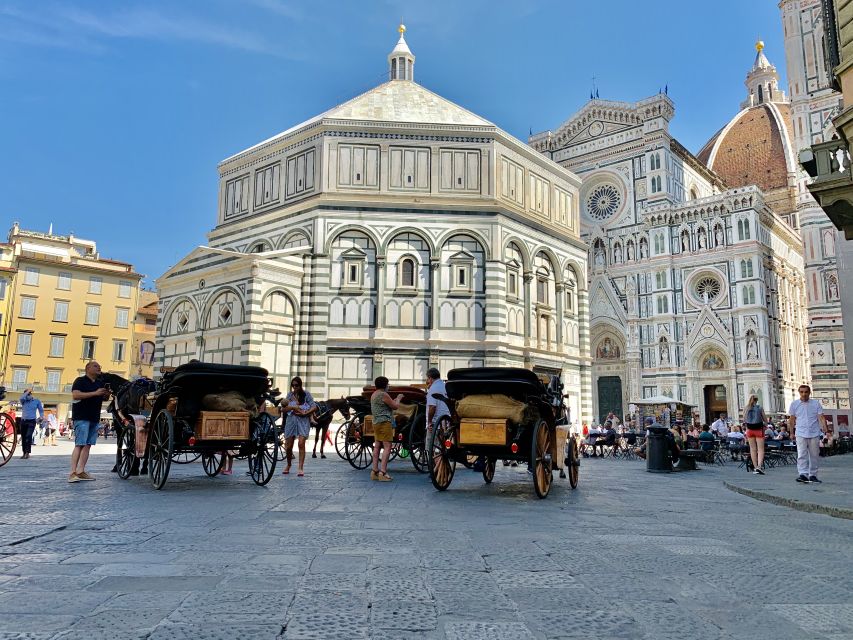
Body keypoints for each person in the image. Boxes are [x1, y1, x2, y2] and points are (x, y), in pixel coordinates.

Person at [69, 361, 109, 482]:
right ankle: (72, 472)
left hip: (94, 417)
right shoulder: (80, 381)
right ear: (87, 368)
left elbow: (104, 398)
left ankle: (81, 471)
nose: (99, 368)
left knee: (88, 445)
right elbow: (76, 395)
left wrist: (106, 394)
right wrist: (95, 393)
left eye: (99, 366)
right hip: (81, 416)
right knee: (80, 444)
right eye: (96, 366)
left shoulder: (100, 383)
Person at [788, 384, 827, 484]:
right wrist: (791, 432)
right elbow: (792, 420)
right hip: (800, 432)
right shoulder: (794, 404)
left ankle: (813, 475)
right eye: (801, 392)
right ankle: (803, 474)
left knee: (814, 455)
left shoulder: (815, 404)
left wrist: (825, 428)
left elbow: (821, 417)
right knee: (801, 454)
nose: (804, 394)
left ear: (809, 392)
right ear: (799, 393)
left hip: (814, 432)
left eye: (806, 392)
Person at [281, 376, 317, 477]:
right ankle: (288, 465)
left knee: (301, 443)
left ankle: (300, 468)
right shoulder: (289, 395)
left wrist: (306, 413)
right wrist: (292, 407)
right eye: (292, 385)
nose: (294, 387)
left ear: (300, 385)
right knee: (289, 447)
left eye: (296, 385)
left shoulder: (306, 394)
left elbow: (314, 406)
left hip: (303, 421)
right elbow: (283, 409)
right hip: (291, 421)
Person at [370, 376, 403, 482]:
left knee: (377, 446)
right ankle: (383, 472)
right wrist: (398, 398)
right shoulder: (383, 394)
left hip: (376, 422)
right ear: (384, 385)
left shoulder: (374, 394)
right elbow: (395, 406)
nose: (388, 386)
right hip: (384, 422)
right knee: (387, 446)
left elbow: (385, 405)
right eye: (388, 384)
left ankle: (374, 471)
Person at [743, 394, 768, 474]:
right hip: (758, 430)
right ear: (757, 400)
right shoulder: (759, 408)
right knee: (760, 449)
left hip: (749, 430)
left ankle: (755, 467)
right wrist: (765, 424)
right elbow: (765, 420)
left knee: (752, 449)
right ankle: (759, 466)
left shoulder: (746, 408)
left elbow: (744, 419)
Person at [19, 389, 44, 459]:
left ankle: (27, 453)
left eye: (28, 394)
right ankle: (24, 453)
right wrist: (27, 392)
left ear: (31, 394)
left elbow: (41, 410)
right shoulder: (23, 401)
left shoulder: (37, 401)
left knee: (28, 436)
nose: (27, 396)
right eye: (26, 395)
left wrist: (41, 416)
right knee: (23, 437)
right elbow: (21, 398)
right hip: (23, 421)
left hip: (32, 421)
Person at [425, 368, 449, 432]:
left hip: (435, 426)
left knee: (430, 442)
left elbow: (432, 407)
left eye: (427, 378)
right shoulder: (446, 386)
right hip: (447, 424)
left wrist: (429, 422)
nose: (427, 381)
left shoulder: (433, 388)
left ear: (430, 378)